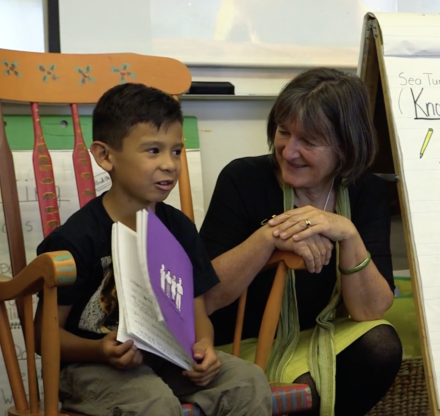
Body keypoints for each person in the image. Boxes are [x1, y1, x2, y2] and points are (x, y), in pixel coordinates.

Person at [33, 83, 272, 416]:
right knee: (155, 402)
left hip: (167, 360)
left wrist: (203, 347)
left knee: (248, 379)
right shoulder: (77, 238)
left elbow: (197, 313)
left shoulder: (179, 228)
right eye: (153, 151)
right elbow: (43, 337)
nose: (170, 164)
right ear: (105, 156)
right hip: (89, 367)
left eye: (176, 151)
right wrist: (100, 350)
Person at [200, 68, 402, 416]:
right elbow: (205, 297)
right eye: (283, 132)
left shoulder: (364, 191)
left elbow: (370, 311)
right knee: (307, 388)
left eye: (308, 142)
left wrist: (347, 232)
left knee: (380, 345)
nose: (289, 151)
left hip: (318, 336)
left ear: (347, 146)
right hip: (239, 345)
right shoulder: (243, 179)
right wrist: (270, 236)